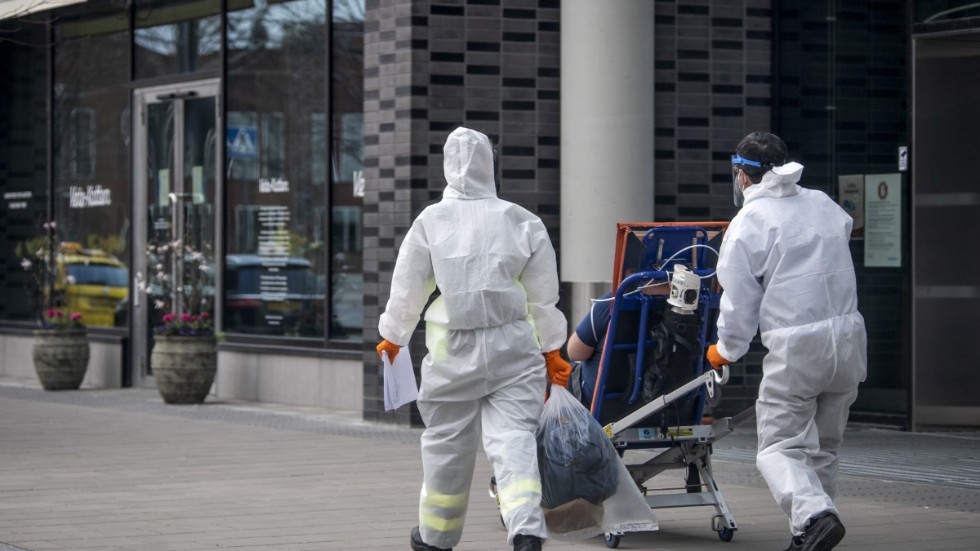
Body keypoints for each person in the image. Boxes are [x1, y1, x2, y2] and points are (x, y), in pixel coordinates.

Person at [376, 126, 571, 551]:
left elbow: (409, 287)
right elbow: (543, 297)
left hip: (452, 350)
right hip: (514, 348)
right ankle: (525, 529)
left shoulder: (431, 220)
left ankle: (436, 538)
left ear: (448, 166)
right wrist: (553, 349)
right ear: (490, 164)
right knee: (514, 439)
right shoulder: (522, 220)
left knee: (447, 443)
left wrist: (393, 336)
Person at [706, 132, 867, 551]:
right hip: (849, 340)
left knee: (777, 448)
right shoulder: (822, 203)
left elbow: (739, 302)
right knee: (824, 448)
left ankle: (814, 518)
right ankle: (810, 533)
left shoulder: (749, 223)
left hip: (798, 348)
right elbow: (841, 233)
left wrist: (725, 350)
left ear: (743, 176)